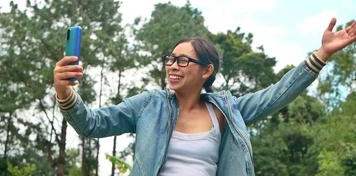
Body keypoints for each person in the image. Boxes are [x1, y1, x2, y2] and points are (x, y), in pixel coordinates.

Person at [53, 18, 356, 176]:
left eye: (183, 61)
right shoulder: (148, 105)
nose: (173, 65)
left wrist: (322, 54)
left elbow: (276, 94)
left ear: (206, 70)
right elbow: (91, 124)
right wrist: (65, 91)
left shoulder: (227, 110)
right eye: (170, 59)